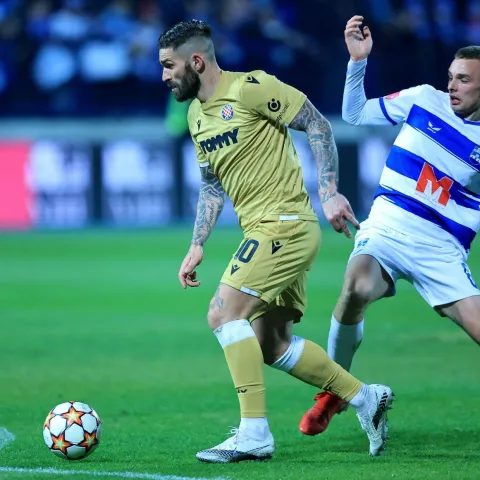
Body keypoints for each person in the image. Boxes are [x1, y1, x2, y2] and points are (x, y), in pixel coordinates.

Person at [158, 19, 394, 463]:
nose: (164, 76)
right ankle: (366, 398)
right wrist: (197, 243)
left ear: (195, 61)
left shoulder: (250, 88)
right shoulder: (195, 115)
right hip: (266, 231)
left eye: (169, 66)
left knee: (222, 312)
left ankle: (254, 434)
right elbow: (212, 185)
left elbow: (317, 124)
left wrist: (328, 192)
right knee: (271, 344)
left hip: (284, 225)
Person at [300, 15, 480, 437]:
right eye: (451, 76)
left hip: (440, 248)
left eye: (465, 80)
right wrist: (357, 61)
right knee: (354, 287)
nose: (452, 85)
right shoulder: (423, 99)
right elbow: (355, 113)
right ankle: (335, 391)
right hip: (386, 229)